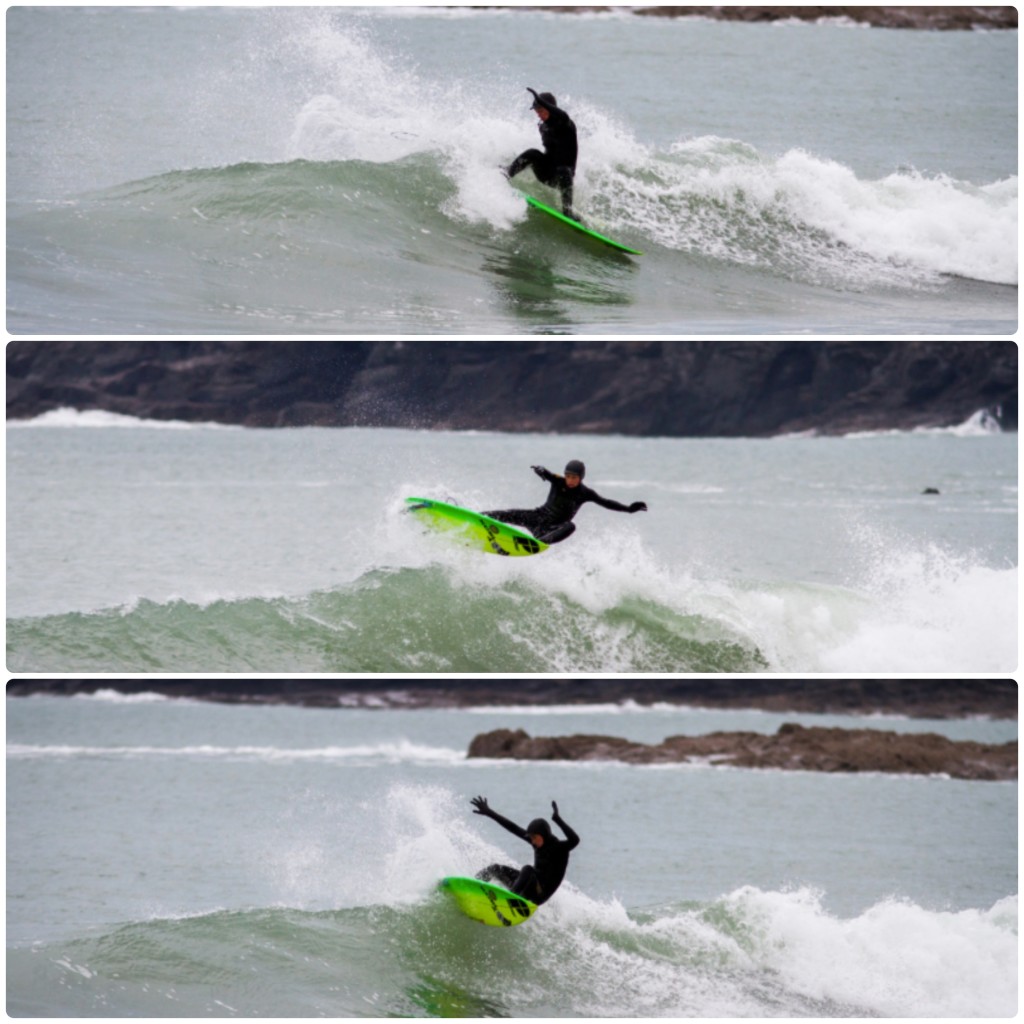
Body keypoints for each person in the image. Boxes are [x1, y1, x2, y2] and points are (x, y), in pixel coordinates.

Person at [484, 459, 647, 545]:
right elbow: (547, 473)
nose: (569, 480)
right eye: (568, 476)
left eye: (574, 477)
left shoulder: (585, 493)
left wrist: (628, 509)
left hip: (551, 530)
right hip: (537, 517)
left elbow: (606, 502)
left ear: (581, 477)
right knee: (506, 513)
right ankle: (476, 518)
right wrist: (540, 469)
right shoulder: (559, 481)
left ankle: (539, 543)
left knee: (571, 526)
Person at [471, 795, 579, 906]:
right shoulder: (537, 843)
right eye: (531, 838)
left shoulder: (560, 848)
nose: (532, 842)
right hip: (528, 886)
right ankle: (471, 888)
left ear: (544, 835)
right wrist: (489, 812)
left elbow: (575, 840)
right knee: (495, 868)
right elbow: (513, 828)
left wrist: (558, 820)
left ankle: (509, 901)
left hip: (539, 894)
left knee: (527, 869)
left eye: (534, 838)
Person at [506, 87, 579, 220]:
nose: (538, 114)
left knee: (564, 171)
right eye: (536, 111)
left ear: (550, 108)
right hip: (547, 174)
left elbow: (562, 116)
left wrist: (543, 102)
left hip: (562, 178)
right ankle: (506, 173)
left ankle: (568, 211)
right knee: (533, 153)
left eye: (541, 110)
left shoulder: (566, 125)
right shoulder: (543, 126)